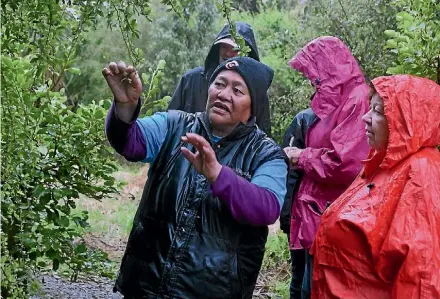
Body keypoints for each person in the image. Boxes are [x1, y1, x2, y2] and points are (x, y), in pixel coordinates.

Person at [102, 56, 288, 298]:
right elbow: (131, 143)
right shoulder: (175, 125)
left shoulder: (266, 154)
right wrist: (125, 108)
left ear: (254, 106)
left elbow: (266, 207)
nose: (223, 94)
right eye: (219, 84)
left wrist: (219, 175)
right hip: (146, 286)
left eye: (237, 90)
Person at [310, 75, 440, 299]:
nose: (365, 118)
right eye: (370, 109)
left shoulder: (420, 172)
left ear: (406, 119)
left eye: (378, 112)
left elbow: (420, 275)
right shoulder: (382, 162)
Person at [283, 36, 371, 298]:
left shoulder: (356, 100)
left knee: (316, 288)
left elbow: (347, 162)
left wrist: (301, 157)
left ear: (329, 67)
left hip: (330, 214)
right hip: (317, 211)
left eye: (315, 73)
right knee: (304, 284)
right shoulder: (337, 99)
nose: (312, 80)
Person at [167, 21, 271, 135]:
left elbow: (263, 133)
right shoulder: (191, 79)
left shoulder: (256, 92)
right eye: (224, 46)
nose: (228, 52)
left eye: (236, 49)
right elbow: (169, 123)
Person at [279, 108, 316, 299]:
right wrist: (286, 214)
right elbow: (288, 170)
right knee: (299, 272)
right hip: (298, 213)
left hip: (322, 213)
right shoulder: (304, 119)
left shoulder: (348, 121)